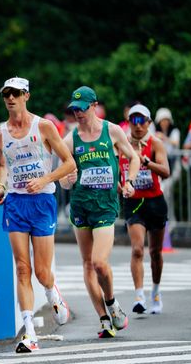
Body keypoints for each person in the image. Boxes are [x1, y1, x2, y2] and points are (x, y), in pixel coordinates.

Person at [0, 77, 76, 352]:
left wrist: (44, 180)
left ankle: (53, 293)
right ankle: (29, 333)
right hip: (15, 202)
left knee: (41, 271)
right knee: (22, 268)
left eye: (15, 93)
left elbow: (69, 163)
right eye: (6, 94)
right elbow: (0, 164)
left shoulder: (44, 126)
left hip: (42, 201)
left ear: (27, 95)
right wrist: (2, 185)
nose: (10, 98)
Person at [60, 86, 140, 338]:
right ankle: (104, 319)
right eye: (75, 110)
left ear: (94, 106)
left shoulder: (112, 131)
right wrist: (68, 179)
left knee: (99, 263)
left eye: (82, 109)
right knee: (86, 264)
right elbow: (63, 177)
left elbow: (133, 157)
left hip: (105, 206)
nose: (78, 114)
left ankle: (112, 301)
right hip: (81, 205)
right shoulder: (71, 139)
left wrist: (130, 182)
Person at [120, 104, 170, 315]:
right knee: (138, 249)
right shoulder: (122, 144)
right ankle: (139, 296)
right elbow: (114, 171)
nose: (138, 125)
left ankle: (155, 292)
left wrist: (148, 163)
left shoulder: (155, 143)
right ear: (129, 122)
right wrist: (120, 187)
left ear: (149, 123)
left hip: (155, 202)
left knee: (155, 252)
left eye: (142, 121)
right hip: (134, 203)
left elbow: (166, 171)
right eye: (134, 121)